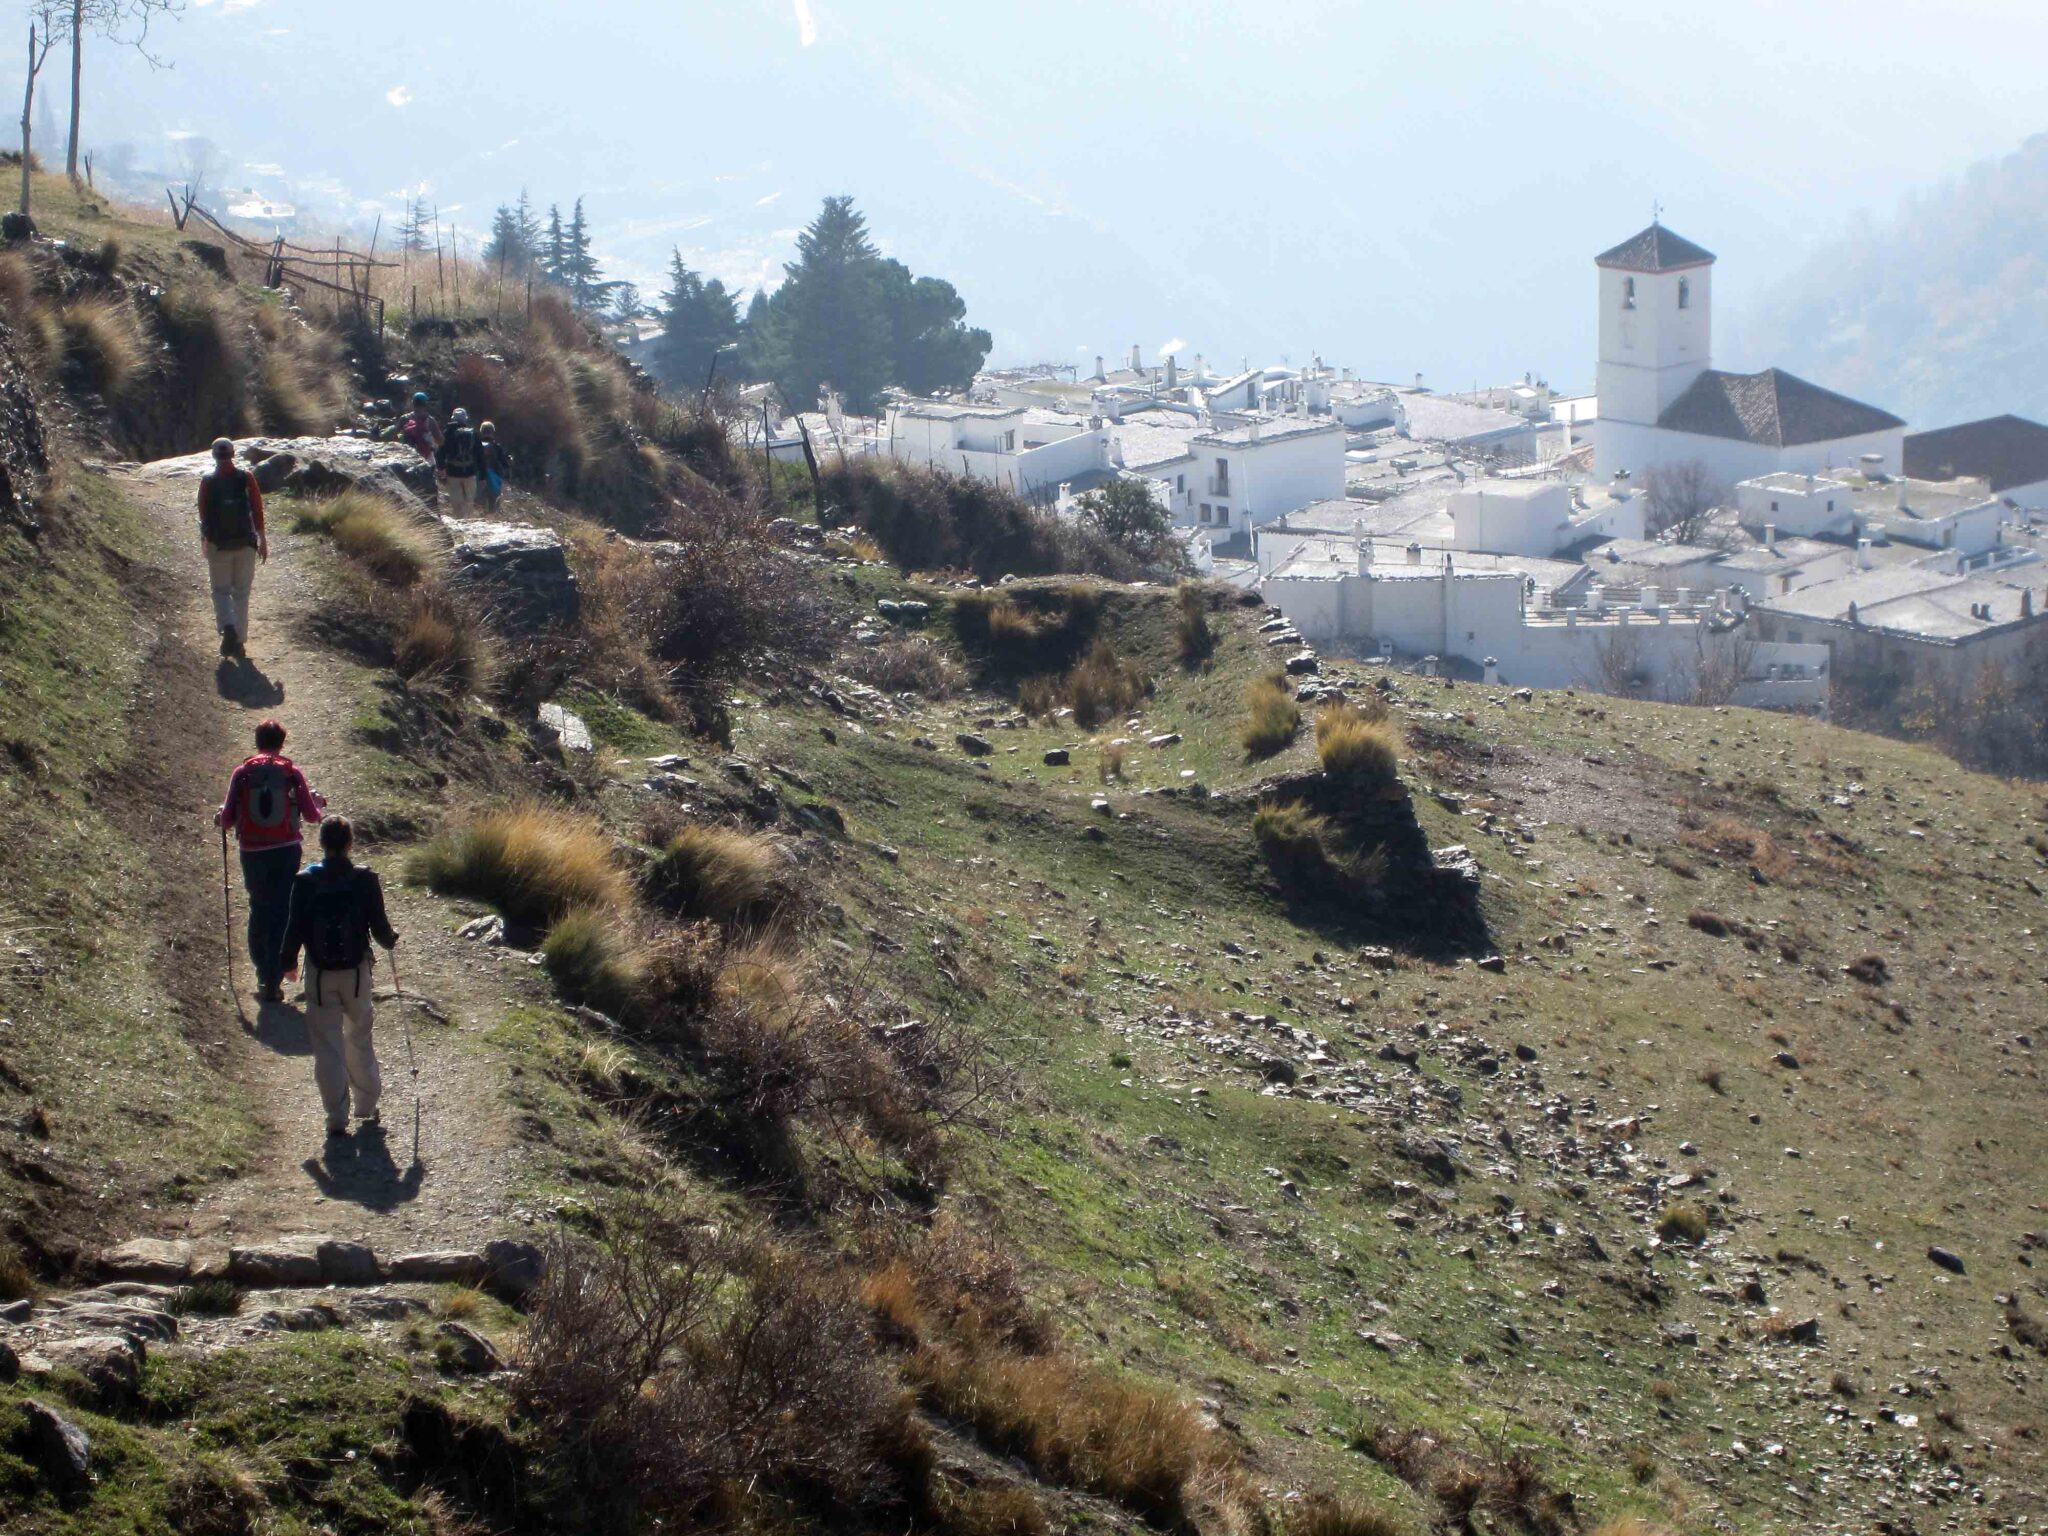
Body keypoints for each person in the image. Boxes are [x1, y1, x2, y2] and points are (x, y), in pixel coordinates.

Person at [280, 816, 400, 1139]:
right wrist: (391, 939)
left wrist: (288, 962)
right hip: (356, 972)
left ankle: (335, 1116)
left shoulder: (305, 882)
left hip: (319, 974)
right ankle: (366, 1105)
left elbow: (294, 928)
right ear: (350, 844)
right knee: (359, 1036)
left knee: (327, 1044)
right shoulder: (364, 879)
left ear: (321, 843)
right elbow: (379, 928)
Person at [215, 719, 324, 1005]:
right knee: (281, 909)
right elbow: (313, 817)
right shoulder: (290, 772)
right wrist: (317, 803)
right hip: (286, 850)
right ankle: (273, 977)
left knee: (259, 907)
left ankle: (263, 971)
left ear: (257, 740)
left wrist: (222, 817)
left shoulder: (242, 773)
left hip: (252, 851)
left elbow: (226, 819)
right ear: (282, 742)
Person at [197, 437, 267, 659]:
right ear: (233, 454)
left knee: (220, 591)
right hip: (245, 543)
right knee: (242, 593)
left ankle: (227, 627)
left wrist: (205, 540)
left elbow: (203, 514)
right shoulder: (246, 478)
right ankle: (239, 640)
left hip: (219, 544)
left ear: (214, 455)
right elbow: (257, 509)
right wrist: (262, 539)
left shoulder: (208, 481)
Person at [436, 407, 483, 512]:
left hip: (453, 472)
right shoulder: (473, 433)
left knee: (457, 503)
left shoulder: (447, 433)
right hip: (470, 472)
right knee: (469, 502)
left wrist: (441, 468)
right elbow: (480, 454)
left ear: (453, 418)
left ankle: (459, 521)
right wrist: (482, 474)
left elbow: (440, 452)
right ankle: (468, 522)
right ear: (465, 419)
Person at [398, 391, 442, 462]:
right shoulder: (430, 420)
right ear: (425, 404)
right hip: (426, 457)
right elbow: (440, 440)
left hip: (407, 457)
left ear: (413, 403)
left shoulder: (404, 418)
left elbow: (395, 435)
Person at [477, 420, 509, 512]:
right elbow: (504, 464)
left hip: (479, 479)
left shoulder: (476, 446)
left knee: (479, 504)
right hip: (494, 478)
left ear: (481, 431)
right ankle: (492, 518)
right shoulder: (497, 447)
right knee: (494, 503)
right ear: (492, 432)